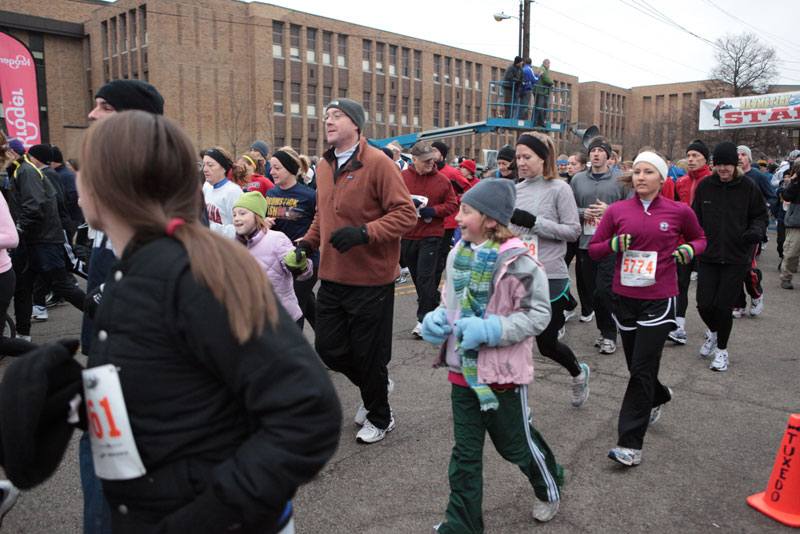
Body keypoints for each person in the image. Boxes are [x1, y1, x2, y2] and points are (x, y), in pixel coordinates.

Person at [73, 110, 340, 532]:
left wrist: (208, 516)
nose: (75, 184)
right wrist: (69, 399)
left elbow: (309, 412)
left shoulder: (190, 274)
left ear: (108, 186)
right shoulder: (136, 267)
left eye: (83, 170)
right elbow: (174, 390)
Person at [421, 178, 563, 530]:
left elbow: (538, 315)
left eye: (466, 211)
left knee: (516, 446)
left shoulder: (519, 262)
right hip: (462, 372)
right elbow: (448, 302)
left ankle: (550, 484)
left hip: (503, 376)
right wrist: (437, 321)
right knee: (465, 456)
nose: (458, 218)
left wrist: (492, 330)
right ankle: (462, 525)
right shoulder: (457, 254)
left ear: (490, 220)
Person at [294, 98, 417, 444]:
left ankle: (381, 415)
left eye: (336, 116)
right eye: (326, 115)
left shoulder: (378, 163)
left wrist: (365, 232)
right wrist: (308, 243)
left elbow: (405, 214)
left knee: (368, 354)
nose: (328, 121)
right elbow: (323, 213)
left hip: (371, 279)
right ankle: (374, 385)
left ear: (356, 124)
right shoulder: (323, 164)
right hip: (332, 274)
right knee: (329, 349)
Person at [81, 77, 166, 534]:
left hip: (135, 361)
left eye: (104, 107)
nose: (92, 115)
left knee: (113, 475)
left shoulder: (151, 183)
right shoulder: (111, 172)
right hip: (105, 340)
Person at [588, 151, 706, 466]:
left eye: (648, 172)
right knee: (637, 368)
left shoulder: (679, 211)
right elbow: (595, 250)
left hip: (660, 296)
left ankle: (630, 444)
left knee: (640, 369)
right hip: (625, 297)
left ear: (661, 178)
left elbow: (700, 239)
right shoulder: (617, 211)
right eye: (637, 171)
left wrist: (688, 249)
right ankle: (660, 394)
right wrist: (613, 245)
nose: (640, 177)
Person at [509, 133, 588, 407]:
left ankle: (578, 373)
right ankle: (517, 404)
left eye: (526, 157)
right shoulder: (514, 191)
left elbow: (573, 231)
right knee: (516, 342)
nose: (520, 162)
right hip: (518, 275)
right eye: (518, 157)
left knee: (547, 345)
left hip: (550, 275)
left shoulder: (559, 188)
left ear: (543, 158)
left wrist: (535, 222)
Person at [693, 141, 768, 372]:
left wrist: (756, 231)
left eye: (727, 165)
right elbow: (694, 218)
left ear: (736, 165)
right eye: (719, 165)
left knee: (724, 307)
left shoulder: (748, 187)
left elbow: (760, 216)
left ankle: (722, 351)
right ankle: (714, 334)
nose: (723, 169)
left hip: (736, 256)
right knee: (704, 305)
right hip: (709, 255)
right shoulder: (705, 186)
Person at [4, 140, 85, 343]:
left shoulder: (26, 170)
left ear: (11, 153)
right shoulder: (19, 171)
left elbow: (35, 205)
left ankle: (104, 316)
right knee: (22, 289)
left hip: (43, 240)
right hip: (30, 241)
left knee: (61, 285)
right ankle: (23, 335)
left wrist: (19, 229)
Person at [570, 136, 627, 354]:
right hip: (586, 243)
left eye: (600, 151)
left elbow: (630, 209)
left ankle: (609, 334)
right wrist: (584, 213)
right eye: (592, 150)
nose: (595, 154)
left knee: (605, 291)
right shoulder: (577, 180)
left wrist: (609, 211)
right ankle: (604, 331)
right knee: (593, 293)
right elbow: (569, 210)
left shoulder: (621, 179)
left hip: (610, 244)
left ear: (608, 155)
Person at [400, 142, 458, 338]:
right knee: (418, 278)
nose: (429, 164)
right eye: (425, 161)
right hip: (408, 234)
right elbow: (390, 200)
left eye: (431, 160)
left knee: (426, 277)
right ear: (413, 160)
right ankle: (435, 307)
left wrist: (434, 211)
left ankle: (423, 320)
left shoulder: (442, 180)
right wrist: (407, 204)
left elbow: (452, 204)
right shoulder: (402, 177)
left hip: (432, 236)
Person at [233, 192, 312, 326]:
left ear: (257, 216)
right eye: (234, 214)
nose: (236, 218)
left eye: (242, 213)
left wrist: (301, 264)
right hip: (254, 322)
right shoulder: (234, 246)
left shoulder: (276, 239)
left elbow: (304, 272)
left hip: (284, 320)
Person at [266, 147, 319, 330]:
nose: (271, 171)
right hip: (280, 261)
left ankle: (296, 354)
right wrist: (264, 222)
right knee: (308, 304)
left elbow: (323, 223)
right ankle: (332, 340)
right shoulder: (271, 194)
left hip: (305, 260)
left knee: (293, 310)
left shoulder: (309, 196)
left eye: (277, 168)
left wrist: (309, 237)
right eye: (271, 167)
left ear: (289, 169)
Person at [670, 140, 712, 344]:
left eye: (695, 155)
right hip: (683, 242)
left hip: (706, 242)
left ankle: (713, 327)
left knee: (707, 288)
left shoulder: (713, 181)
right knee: (681, 283)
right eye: (689, 155)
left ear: (706, 158)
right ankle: (679, 327)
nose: (691, 159)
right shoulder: (681, 182)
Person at [732, 145, 775, 317]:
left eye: (743, 155)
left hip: (752, 231)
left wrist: (766, 206)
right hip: (732, 230)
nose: (740, 158)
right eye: (737, 155)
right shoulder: (730, 177)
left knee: (746, 268)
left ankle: (756, 294)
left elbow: (772, 195)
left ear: (749, 158)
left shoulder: (758, 176)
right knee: (732, 269)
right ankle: (738, 303)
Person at [432, 141, 471, 287]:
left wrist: (454, 200)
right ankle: (428, 291)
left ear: (442, 155)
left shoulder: (452, 173)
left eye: (434, 150)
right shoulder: (427, 170)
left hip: (447, 221)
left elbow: (468, 191)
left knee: (438, 258)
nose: (432, 152)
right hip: (429, 220)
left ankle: (432, 290)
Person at [565, 151, 589, 321]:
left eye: (573, 164)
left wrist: (582, 212)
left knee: (583, 275)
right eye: (568, 163)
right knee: (559, 269)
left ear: (582, 166)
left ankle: (588, 308)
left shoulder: (586, 182)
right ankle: (569, 303)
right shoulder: (566, 183)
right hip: (568, 234)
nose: (569, 167)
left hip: (585, 233)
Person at [202, 147, 243, 239]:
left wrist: (209, 226)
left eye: (210, 165)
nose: (205, 169)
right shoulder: (206, 187)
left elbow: (240, 229)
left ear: (224, 168)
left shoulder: (233, 191)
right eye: (204, 165)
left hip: (226, 249)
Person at [779, 162, 800, 289]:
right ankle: (786, 277)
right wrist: (794, 182)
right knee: (791, 253)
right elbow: (786, 195)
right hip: (796, 223)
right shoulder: (796, 184)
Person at [533, 59, 553, 128]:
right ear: (546, 64)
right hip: (540, 91)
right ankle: (536, 122)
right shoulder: (543, 70)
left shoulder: (539, 68)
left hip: (537, 90)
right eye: (549, 64)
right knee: (539, 107)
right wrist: (552, 83)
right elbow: (546, 79)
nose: (549, 66)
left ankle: (539, 122)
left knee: (538, 107)